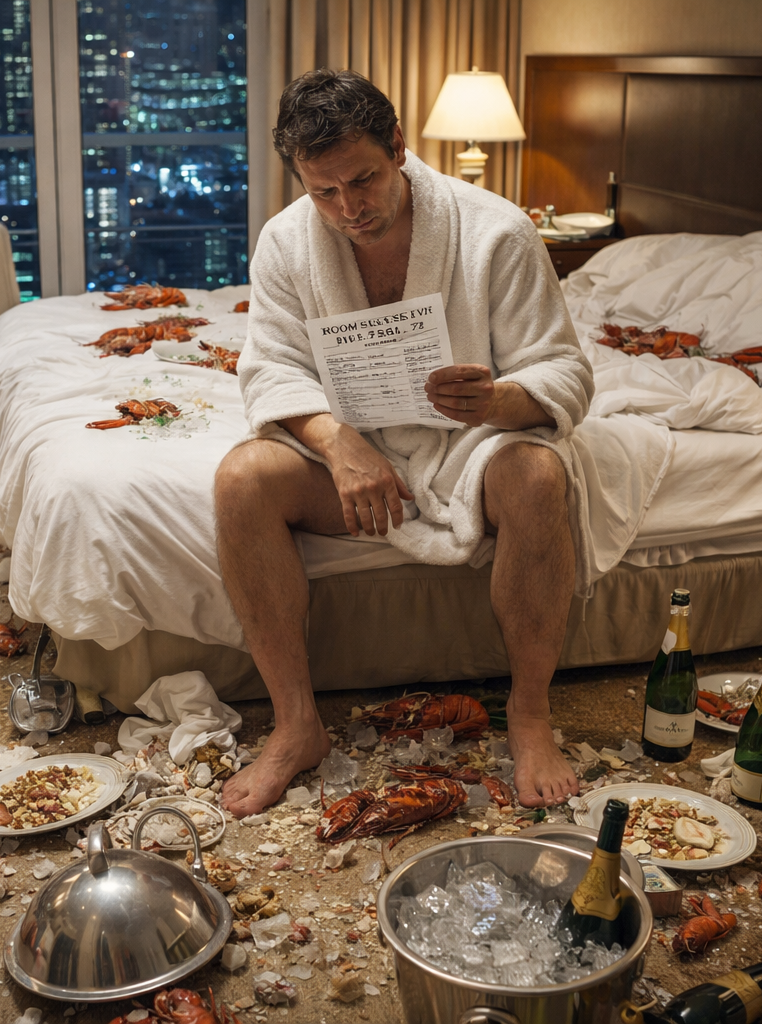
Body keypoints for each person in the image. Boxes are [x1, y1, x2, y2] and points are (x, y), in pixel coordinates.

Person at [215, 69, 594, 818]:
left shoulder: (497, 231)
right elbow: (269, 368)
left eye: (364, 181)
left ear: (398, 147)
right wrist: (335, 441)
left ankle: (528, 714)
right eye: (325, 191)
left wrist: (499, 398)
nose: (348, 209)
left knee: (541, 477)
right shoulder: (287, 243)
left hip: (467, 448)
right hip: (353, 458)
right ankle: (297, 726)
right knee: (241, 479)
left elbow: (564, 370)